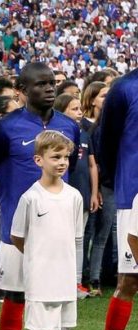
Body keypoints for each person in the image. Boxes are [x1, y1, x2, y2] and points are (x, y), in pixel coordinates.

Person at [0, 62, 80, 330]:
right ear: (22, 90)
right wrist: (6, 190)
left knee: (57, 299)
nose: (49, 89)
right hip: (15, 229)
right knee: (16, 296)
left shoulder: (68, 126)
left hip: (56, 232)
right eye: (40, 84)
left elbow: (71, 168)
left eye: (52, 83)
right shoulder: (5, 128)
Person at [10, 130, 83, 330]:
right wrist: (37, 259)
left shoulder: (74, 196)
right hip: (40, 277)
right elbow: (18, 235)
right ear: (39, 160)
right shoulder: (31, 197)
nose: (62, 162)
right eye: (56, 157)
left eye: (65, 157)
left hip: (65, 277)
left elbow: (76, 238)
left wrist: (74, 274)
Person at [92, 68, 138, 330]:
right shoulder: (125, 89)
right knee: (129, 280)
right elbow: (104, 140)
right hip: (135, 195)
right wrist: (115, 180)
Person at [53, 94, 99, 302]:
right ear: (61, 111)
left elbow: (91, 165)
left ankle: (77, 282)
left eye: (80, 109)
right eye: (74, 109)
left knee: (78, 240)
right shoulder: (55, 136)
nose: (79, 112)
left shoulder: (84, 134)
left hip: (83, 194)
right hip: (60, 197)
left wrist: (94, 191)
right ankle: (59, 282)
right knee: (61, 240)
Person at [80, 81, 111, 297]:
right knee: (85, 233)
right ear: (91, 99)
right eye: (102, 96)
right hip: (90, 187)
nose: (107, 100)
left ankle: (96, 277)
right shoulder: (83, 126)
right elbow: (92, 161)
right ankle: (82, 277)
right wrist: (95, 187)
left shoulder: (109, 124)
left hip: (105, 185)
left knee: (102, 234)